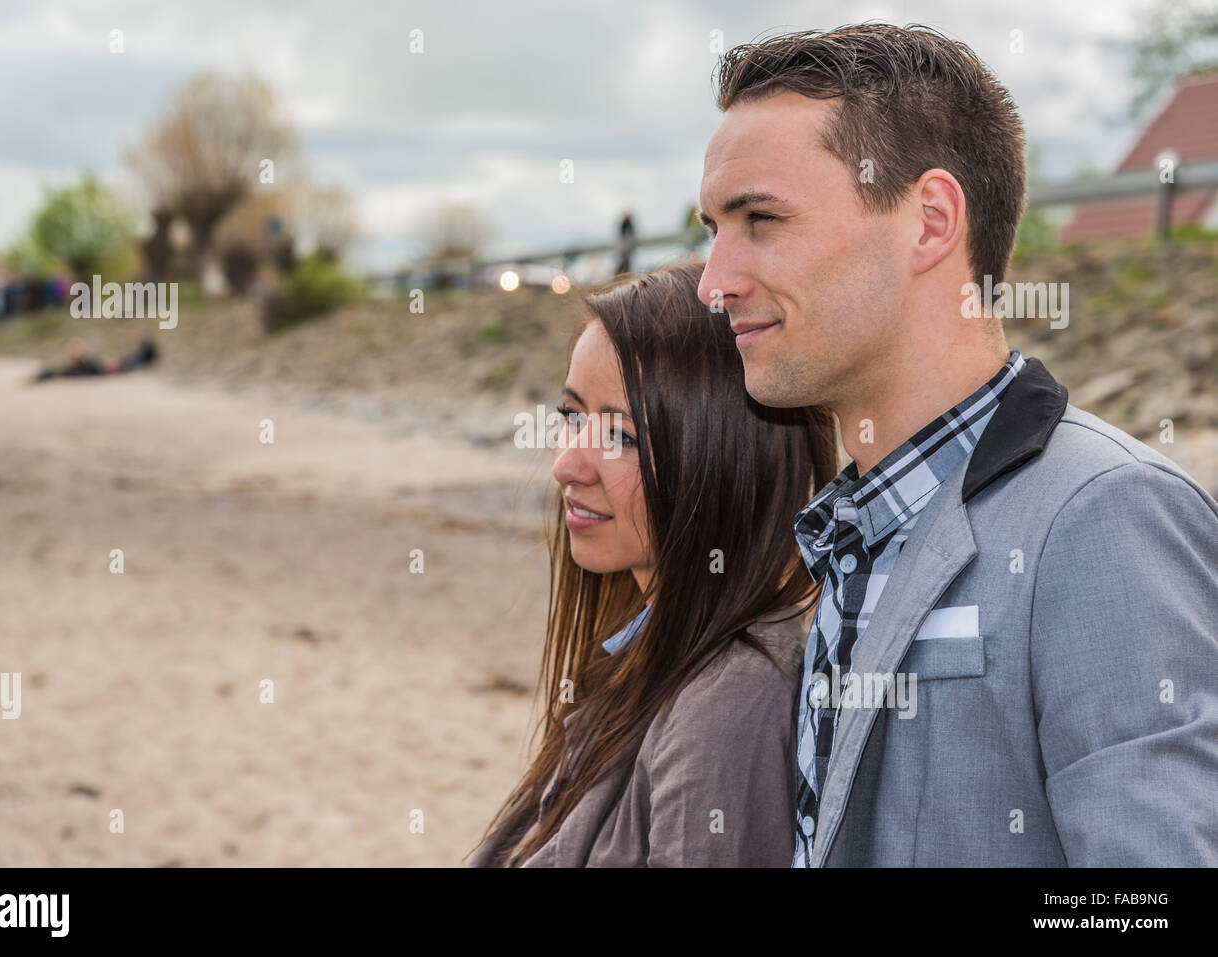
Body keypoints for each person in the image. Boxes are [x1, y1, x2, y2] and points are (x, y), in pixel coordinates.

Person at [695, 23, 1218, 866]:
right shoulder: (847, 529)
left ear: (930, 221)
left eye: (760, 219)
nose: (715, 281)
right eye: (714, 226)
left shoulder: (1105, 516)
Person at [466, 261, 838, 866]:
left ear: (719, 458)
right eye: (571, 418)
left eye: (620, 435)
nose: (567, 465)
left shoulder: (727, 701)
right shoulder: (641, 652)